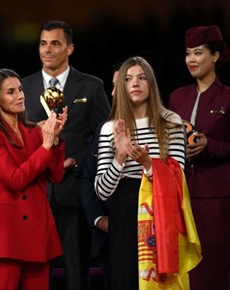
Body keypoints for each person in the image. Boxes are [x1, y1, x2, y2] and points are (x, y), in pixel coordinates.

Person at [94, 56, 202, 289]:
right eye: (129, 79)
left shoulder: (171, 122)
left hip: (160, 211)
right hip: (124, 212)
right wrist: (120, 157)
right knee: (126, 278)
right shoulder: (110, 128)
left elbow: (177, 179)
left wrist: (147, 164)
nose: (135, 83)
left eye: (142, 78)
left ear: (151, 84)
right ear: (121, 86)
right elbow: (102, 191)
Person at [21, 20, 111, 290]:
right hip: (35, 191)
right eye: (43, 43)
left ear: (70, 48)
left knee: (76, 274)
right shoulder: (21, 88)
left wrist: (77, 161)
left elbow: (103, 136)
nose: (47, 50)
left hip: (75, 191)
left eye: (55, 43)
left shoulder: (92, 87)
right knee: (36, 274)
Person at [0, 68, 67, 290]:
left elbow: (55, 175)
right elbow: (15, 179)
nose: (20, 95)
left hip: (38, 231)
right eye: (11, 92)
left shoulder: (33, 130)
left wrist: (53, 140)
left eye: (20, 89)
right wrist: (45, 146)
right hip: (8, 234)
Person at [168, 25, 230, 290]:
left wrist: (210, 145)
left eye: (198, 53)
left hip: (215, 197)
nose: (191, 60)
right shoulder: (176, 97)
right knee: (182, 266)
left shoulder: (228, 97)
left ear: (215, 56)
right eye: (187, 53)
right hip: (178, 196)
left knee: (213, 265)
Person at [80, 62, 121, 290]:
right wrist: (98, 219)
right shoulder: (104, 130)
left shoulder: (161, 126)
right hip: (110, 239)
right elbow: (88, 178)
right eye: (113, 85)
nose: (113, 93)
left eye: (119, 85)